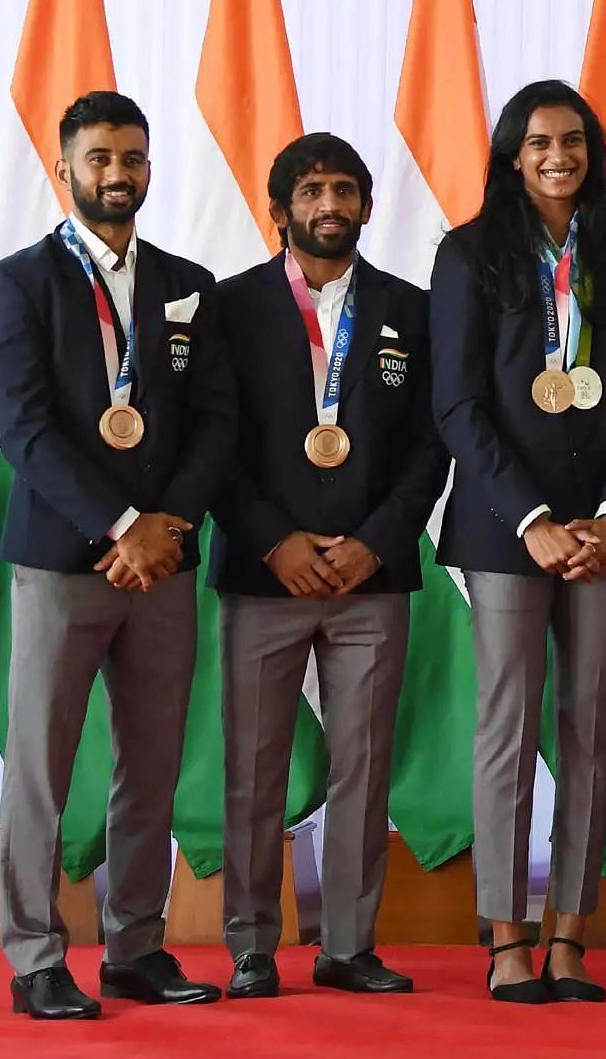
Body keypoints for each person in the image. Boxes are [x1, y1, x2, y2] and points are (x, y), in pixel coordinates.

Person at [0, 90, 230, 1018]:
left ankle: (135, 947)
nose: (116, 174)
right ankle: (37, 959)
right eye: (98, 159)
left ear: (150, 169)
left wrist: (167, 528)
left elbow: (216, 423)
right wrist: (123, 523)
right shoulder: (15, 283)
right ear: (65, 170)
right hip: (62, 560)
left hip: (163, 565)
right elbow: (24, 426)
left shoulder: (186, 283)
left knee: (153, 762)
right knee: (41, 765)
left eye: (131, 158)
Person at [430, 79, 606, 1004]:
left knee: (592, 732)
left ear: (592, 154)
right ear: (511, 156)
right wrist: (532, 520)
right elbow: (456, 402)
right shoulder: (469, 252)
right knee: (507, 731)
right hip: (504, 532)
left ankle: (570, 933)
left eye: (572, 140)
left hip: (603, 531)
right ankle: (504, 938)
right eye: (537, 142)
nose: (557, 155)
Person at [206, 133, 446, 1000]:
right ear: (279, 211)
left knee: (364, 764)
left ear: (368, 206)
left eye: (344, 189)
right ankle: (250, 947)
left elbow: (431, 445)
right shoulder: (226, 309)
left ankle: (349, 946)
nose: (328, 204)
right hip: (264, 572)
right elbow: (211, 445)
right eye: (310, 191)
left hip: (370, 577)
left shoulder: (412, 311)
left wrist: (377, 539)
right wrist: (275, 539)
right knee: (254, 767)